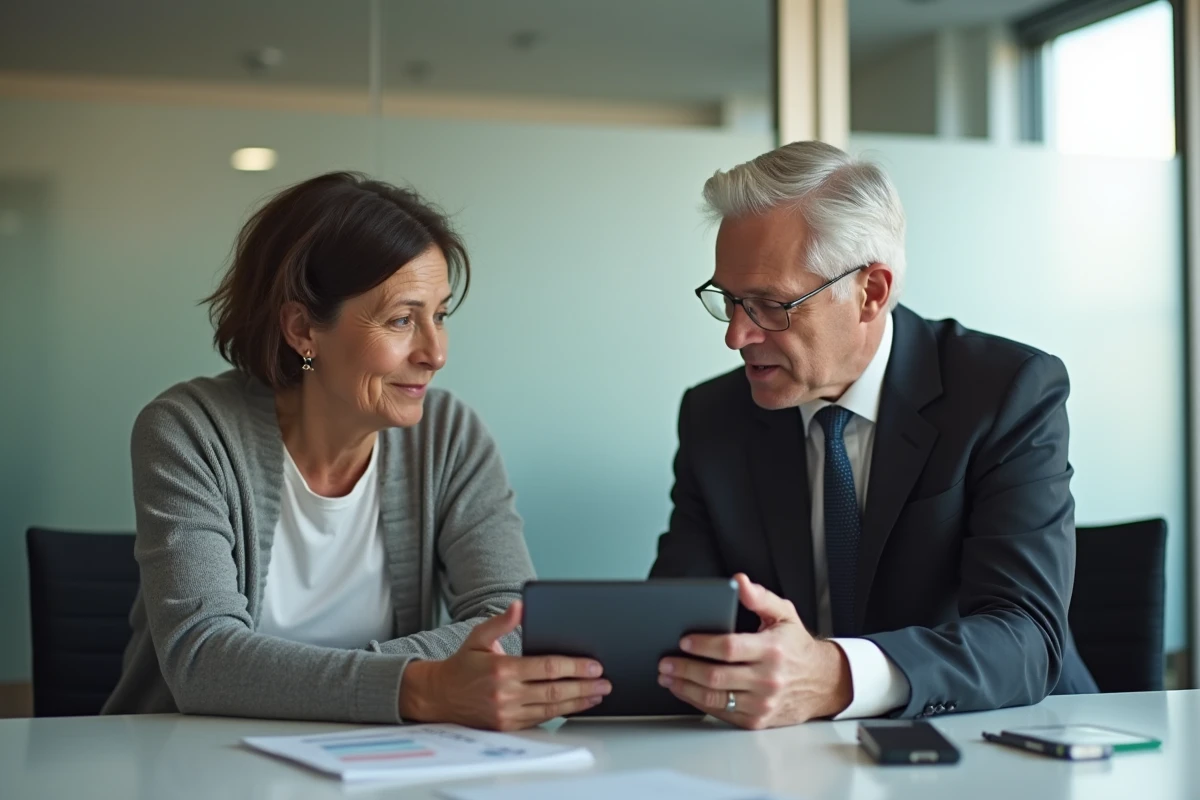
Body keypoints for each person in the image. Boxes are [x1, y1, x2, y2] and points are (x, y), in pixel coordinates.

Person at [103, 172, 611, 728]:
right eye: (401, 319)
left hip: (374, 764)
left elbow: (513, 621)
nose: (435, 352)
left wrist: (364, 684)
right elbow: (201, 658)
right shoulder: (189, 431)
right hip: (185, 764)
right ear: (303, 328)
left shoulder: (449, 436)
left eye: (439, 315)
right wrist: (418, 687)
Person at [650, 141, 1097, 730]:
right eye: (729, 301)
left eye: (768, 305)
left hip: (1005, 741)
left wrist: (837, 675)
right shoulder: (715, 418)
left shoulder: (1006, 393)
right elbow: (677, 623)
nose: (736, 336)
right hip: (794, 761)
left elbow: (1025, 639)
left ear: (871, 292)